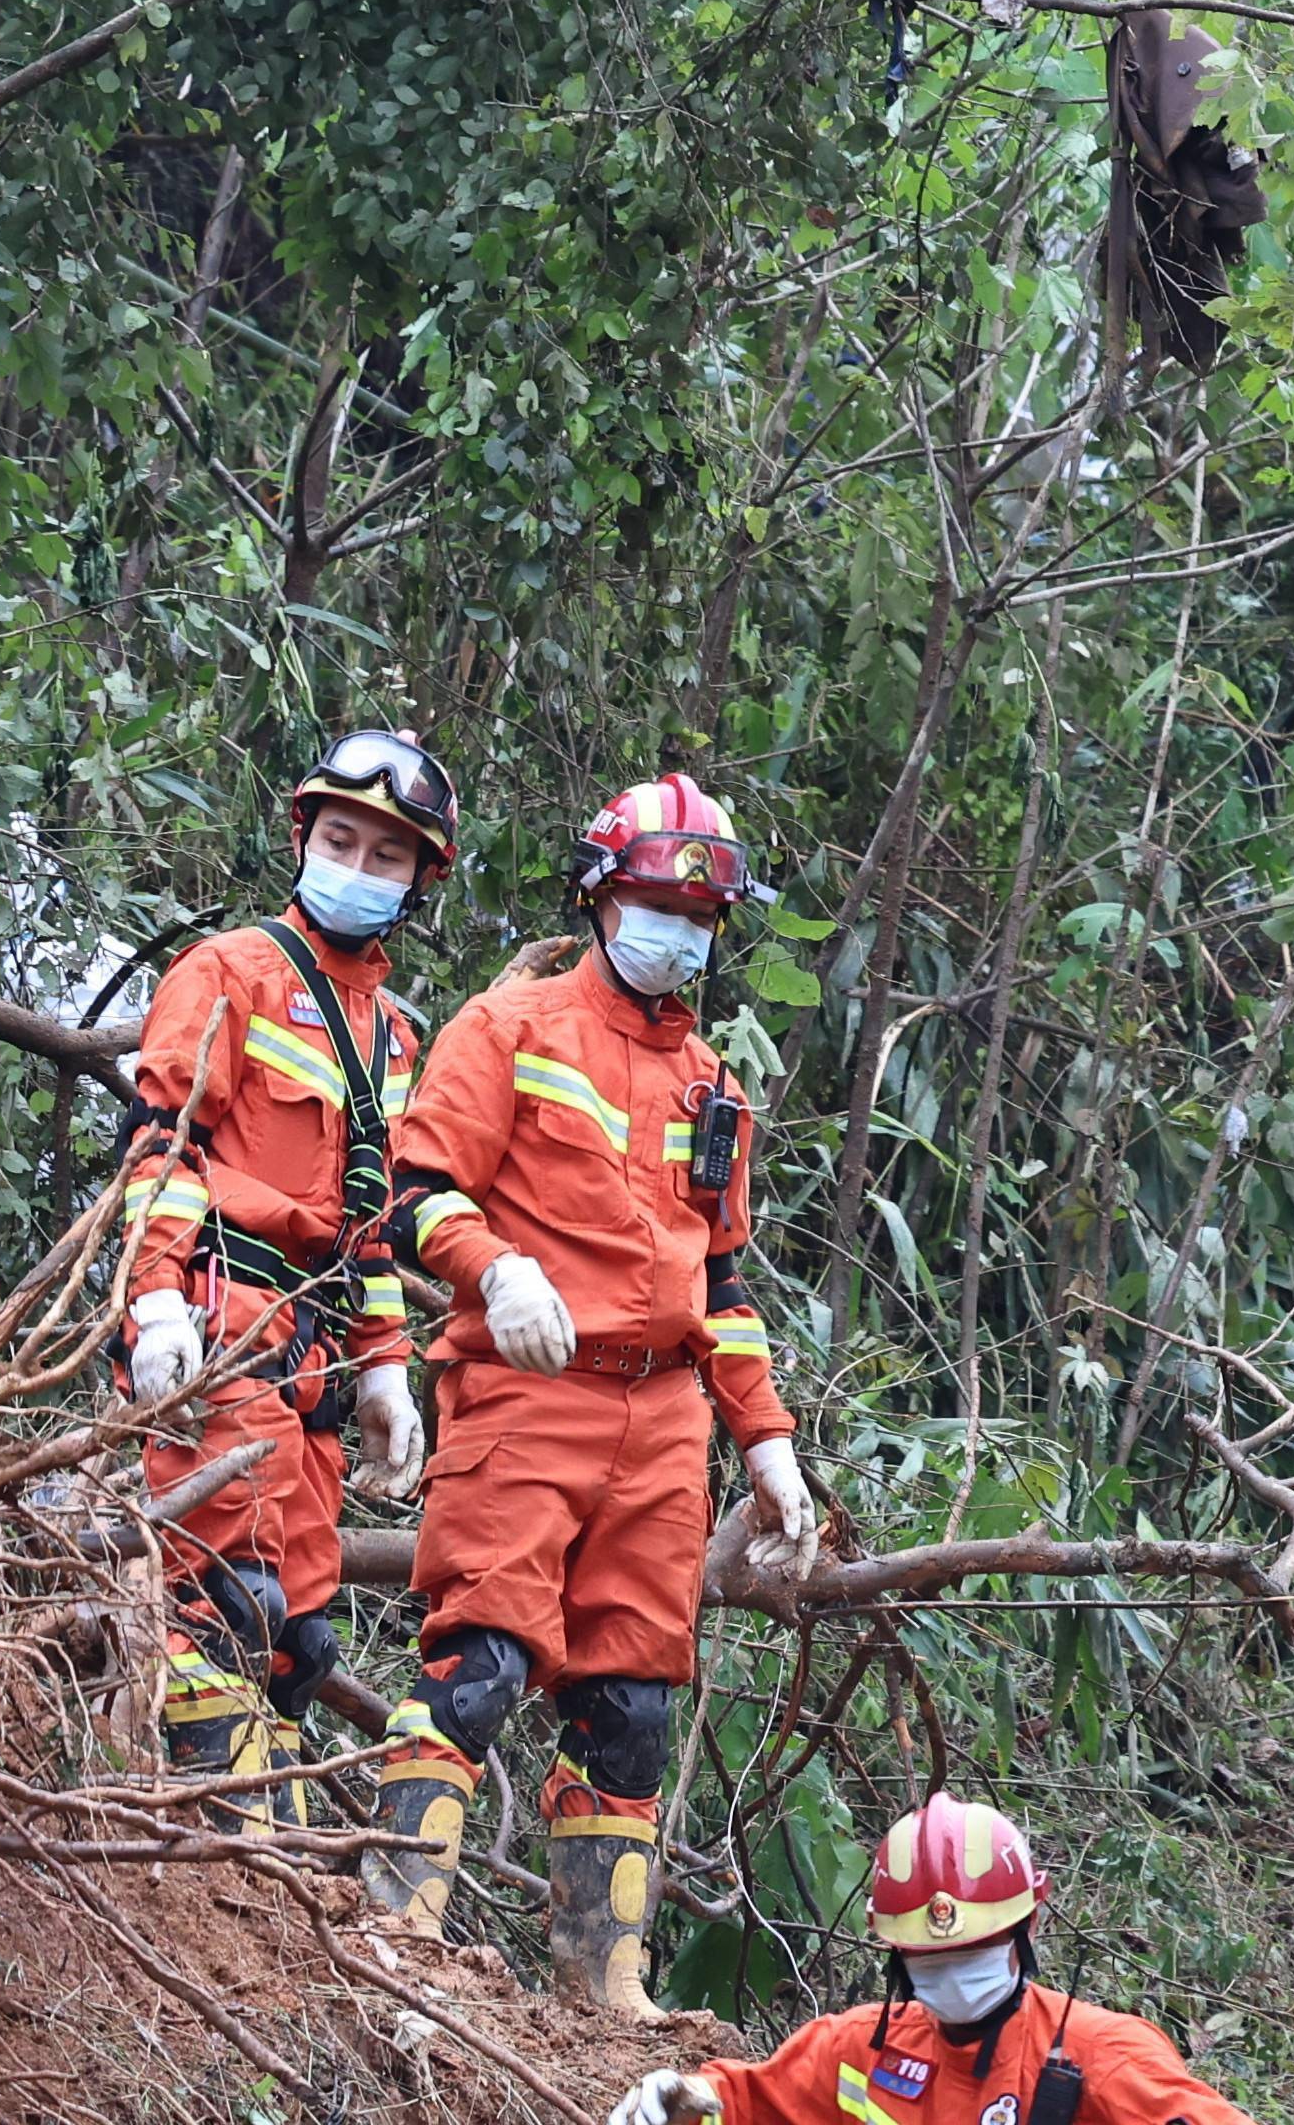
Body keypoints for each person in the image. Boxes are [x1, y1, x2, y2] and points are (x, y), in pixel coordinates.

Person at [369, 767, 825, 2014]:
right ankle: (394, 1935)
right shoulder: (511, 1027)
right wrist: (494, 1264)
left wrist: (768, 1444)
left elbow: (722, 1282)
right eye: (648, 900)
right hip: (531, 1388)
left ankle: (598, 1987)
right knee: (484, 1658)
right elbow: (414, 1194)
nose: (674, 929)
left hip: (666, 1419)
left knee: (629, 1703)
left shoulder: (712, 1082)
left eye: (698, 914)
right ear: (598, 895)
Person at [116, 730, 452, 1808]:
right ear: (302, 834)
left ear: (419, 879)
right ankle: (202, 1853)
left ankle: (265, 1888)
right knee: (227, 1600)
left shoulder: (396, 1035)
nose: (358, 865)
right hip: (222, 1326)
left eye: (386, 854)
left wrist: (388, 1371)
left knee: (299, 1642)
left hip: (312, 1364)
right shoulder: (230, 972)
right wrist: (155, 1302)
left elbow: (377, 1225)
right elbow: (161, 1147)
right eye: (340, 837)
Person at [604, 1797, 1257, 2125]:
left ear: (1022, 1932)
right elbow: (759, 2104)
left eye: (972, 1950)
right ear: (895, 1953)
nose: (953, 1970)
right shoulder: (859, 2053)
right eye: (930, 1955)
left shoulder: (1101, 2061)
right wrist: (688, 2101)